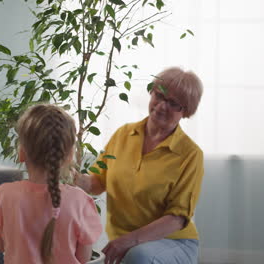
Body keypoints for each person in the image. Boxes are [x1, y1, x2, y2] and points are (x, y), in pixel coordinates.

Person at [75, 67, 204, 264]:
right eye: (159, 95)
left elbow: (177, 219)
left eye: (173, 103)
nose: (161, 106)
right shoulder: (123, 135)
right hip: (127, 242)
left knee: (139, 256)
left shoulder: (190, 154)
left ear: (185, 111)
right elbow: (96, 183)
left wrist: (126, 242)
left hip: (173, 242)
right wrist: (67, 174)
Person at [0, 104, 103, 264]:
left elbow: (1, 246)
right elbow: (83, 257)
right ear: (69, 156)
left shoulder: (2, 195)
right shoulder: (80, 201)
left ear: (21, 153)